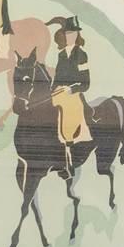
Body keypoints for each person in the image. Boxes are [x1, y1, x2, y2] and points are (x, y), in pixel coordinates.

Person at [48, 15, 93, 151]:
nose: (70, 36)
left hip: (74, 93)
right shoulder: (60, 55)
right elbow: (57, 78)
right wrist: (51, 89)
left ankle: (69, 144)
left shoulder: (81, 54)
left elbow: (86, 83)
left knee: (70, 109)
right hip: (59, 92)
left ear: (77, 34)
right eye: (67, 33)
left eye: (73, 33)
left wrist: (71, 90)